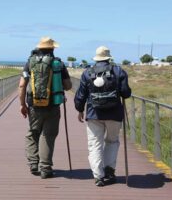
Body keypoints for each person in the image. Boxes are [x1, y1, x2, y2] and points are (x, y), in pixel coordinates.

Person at [74, 46, 131, 187]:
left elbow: (81, 95)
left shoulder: (87, 73)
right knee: (112, 142)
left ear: (96, 58)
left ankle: (98, 176)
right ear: (108, 57)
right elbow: (126, 93)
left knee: (95, 145)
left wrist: (80, 110)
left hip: (94, 114)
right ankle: (109, 171)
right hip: (114, 114)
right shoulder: (118, 71)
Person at [18, 37, 72, 179]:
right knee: (48, 135)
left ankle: (33, 163)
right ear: (52, 48)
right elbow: (68, 86)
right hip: (53, 104)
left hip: (34, 105)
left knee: (33, 133)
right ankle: (46, 168)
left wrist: (22, 104)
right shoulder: (58, 63)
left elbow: (22, 85)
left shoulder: (30, 62)